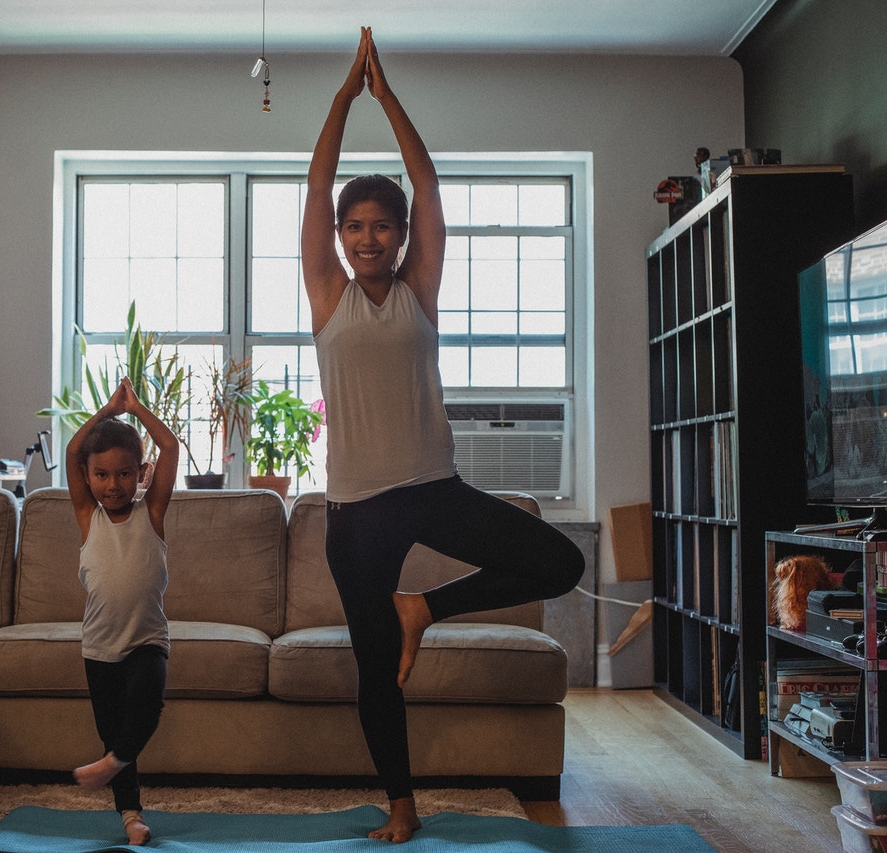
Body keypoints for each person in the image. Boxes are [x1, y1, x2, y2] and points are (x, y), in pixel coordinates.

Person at [300, 28, 586, 843]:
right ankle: (400, 804)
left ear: (401, 234)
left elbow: (426, 184)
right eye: (353, 227)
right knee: (372, 667)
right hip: (356, 512)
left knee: (557, 559)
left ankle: (423, 607)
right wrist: (339, 98)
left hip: (433, 489)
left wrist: (384, 98)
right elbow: (317, 184)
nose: (365, 238)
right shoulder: (328, 295)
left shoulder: (420, 287)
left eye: (381, 226)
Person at [65, 377, 179, 847]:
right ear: (88, 477)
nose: (114, 485)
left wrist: (136, 410)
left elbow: (170, 445)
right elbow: (74, 449)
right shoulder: (87, 516)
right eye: (102, 475)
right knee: (114, 730)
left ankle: (114, 763)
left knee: (147, 702)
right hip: (99, 648)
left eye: (125, 474)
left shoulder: (151, 513)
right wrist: (107, 411)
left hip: (147, 638)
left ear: (142, 473)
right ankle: (131, 816)